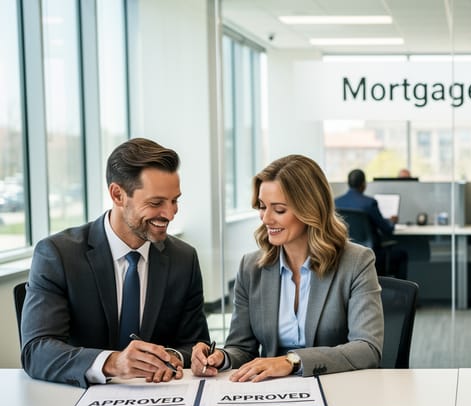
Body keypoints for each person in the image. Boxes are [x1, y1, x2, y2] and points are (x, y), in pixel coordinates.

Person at [20, 138, 210, 387]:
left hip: (157, 401)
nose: (170, 213)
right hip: (73, 401)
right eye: (156, 203)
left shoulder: (183, 259)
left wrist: (172, 357)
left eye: (174, 200)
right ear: (118, 194)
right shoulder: (58, 255)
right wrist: (112, 363)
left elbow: (194, 345)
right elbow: (37, 350)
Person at [192, 155, 383, 382]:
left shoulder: (356, 262)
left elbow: (367, 348)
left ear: (310, 210)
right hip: (270, 393)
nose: (266, 219)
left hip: (335, 387)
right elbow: (241, 348)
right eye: (262, 207)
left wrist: (292, 361)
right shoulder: (250, 268)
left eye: (279, 210)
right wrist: (220, 358)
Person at [334, 168, 409, 279]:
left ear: (348, 183)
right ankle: (400, 294)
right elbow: (387, 229)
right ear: (363, 184)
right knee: (402, 255)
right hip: (370, 254)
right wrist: (391, 222)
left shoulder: (336, 202)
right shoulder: (369, 203)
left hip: (345, 254)